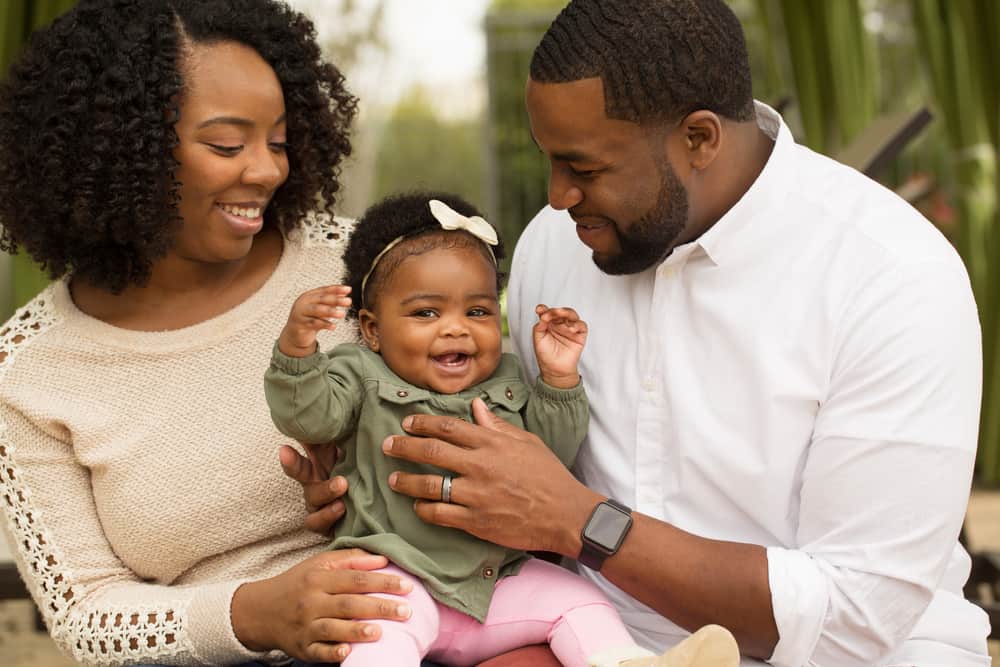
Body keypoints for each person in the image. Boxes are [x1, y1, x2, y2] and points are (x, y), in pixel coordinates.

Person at [289, 1, 991, 665]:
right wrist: (378, 475)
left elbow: (857, 615)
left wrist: (583, 521)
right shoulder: (552, 247)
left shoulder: (892, 275)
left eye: (585, 167)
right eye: (550, 160)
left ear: (699, 138)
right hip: (592, 637)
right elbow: (519, 456)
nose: (557, 195)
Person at [0, 1, 443, 664]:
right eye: (228, 145)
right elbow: (85, 610)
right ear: (124, 149)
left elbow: (488, 410)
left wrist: (383, 470)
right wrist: (256, 611)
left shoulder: (369, 265)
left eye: (280, 140)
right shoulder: (28, 368)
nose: (267, 170)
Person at [264, 190, 684, 667]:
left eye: (478, 311)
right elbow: (310, 417)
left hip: (496, 583)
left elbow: (555, 453)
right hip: (397, 578)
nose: (456, 328)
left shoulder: (505, 381)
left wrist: (559, 379)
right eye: (426, 313)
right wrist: (298, 351)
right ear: (373, 329)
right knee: (376, 639)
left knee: (580, 604)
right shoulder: (359, 373)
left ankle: (628, 663)